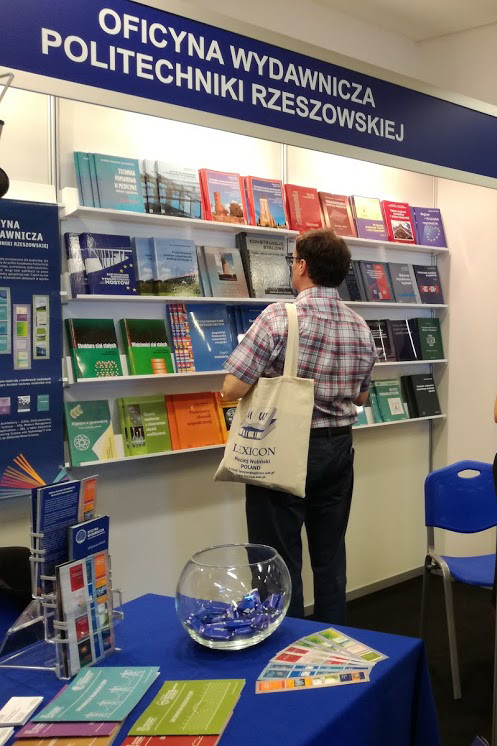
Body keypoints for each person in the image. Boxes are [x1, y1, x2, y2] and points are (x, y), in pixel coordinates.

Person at [221, 228, 378, 623]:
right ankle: (332, 641)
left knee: (276, 560)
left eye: (293, 260)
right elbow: (362, 397)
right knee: (330, 555)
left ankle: (284, 646)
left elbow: (231, 388)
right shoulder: (360, 326)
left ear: (303, 266)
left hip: (283, 446)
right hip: (338, 449)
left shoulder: (279, 316)